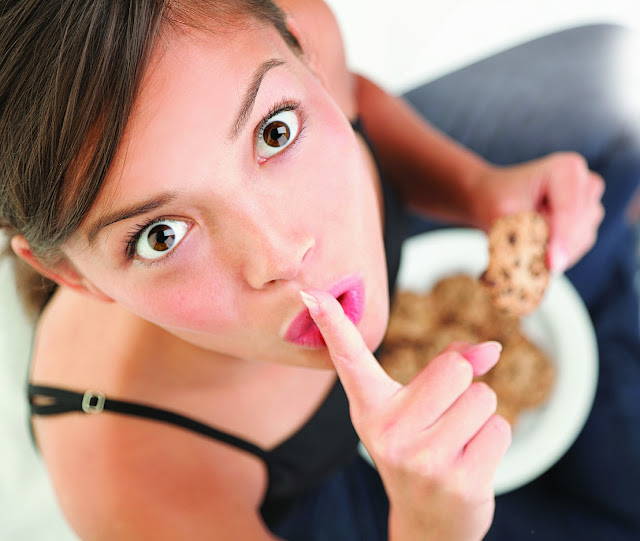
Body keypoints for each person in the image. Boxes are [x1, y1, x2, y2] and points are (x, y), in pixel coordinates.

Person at [0, 1, 637, 540]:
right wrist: (425, 524)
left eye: (274, 132)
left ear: (305, 58)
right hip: (333, 498)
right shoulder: (133, 479)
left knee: (604, 74)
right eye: (161, 236)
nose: (284, 256)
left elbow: (359, 103)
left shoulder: (306, 24)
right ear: (71, 277)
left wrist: (475, 187)